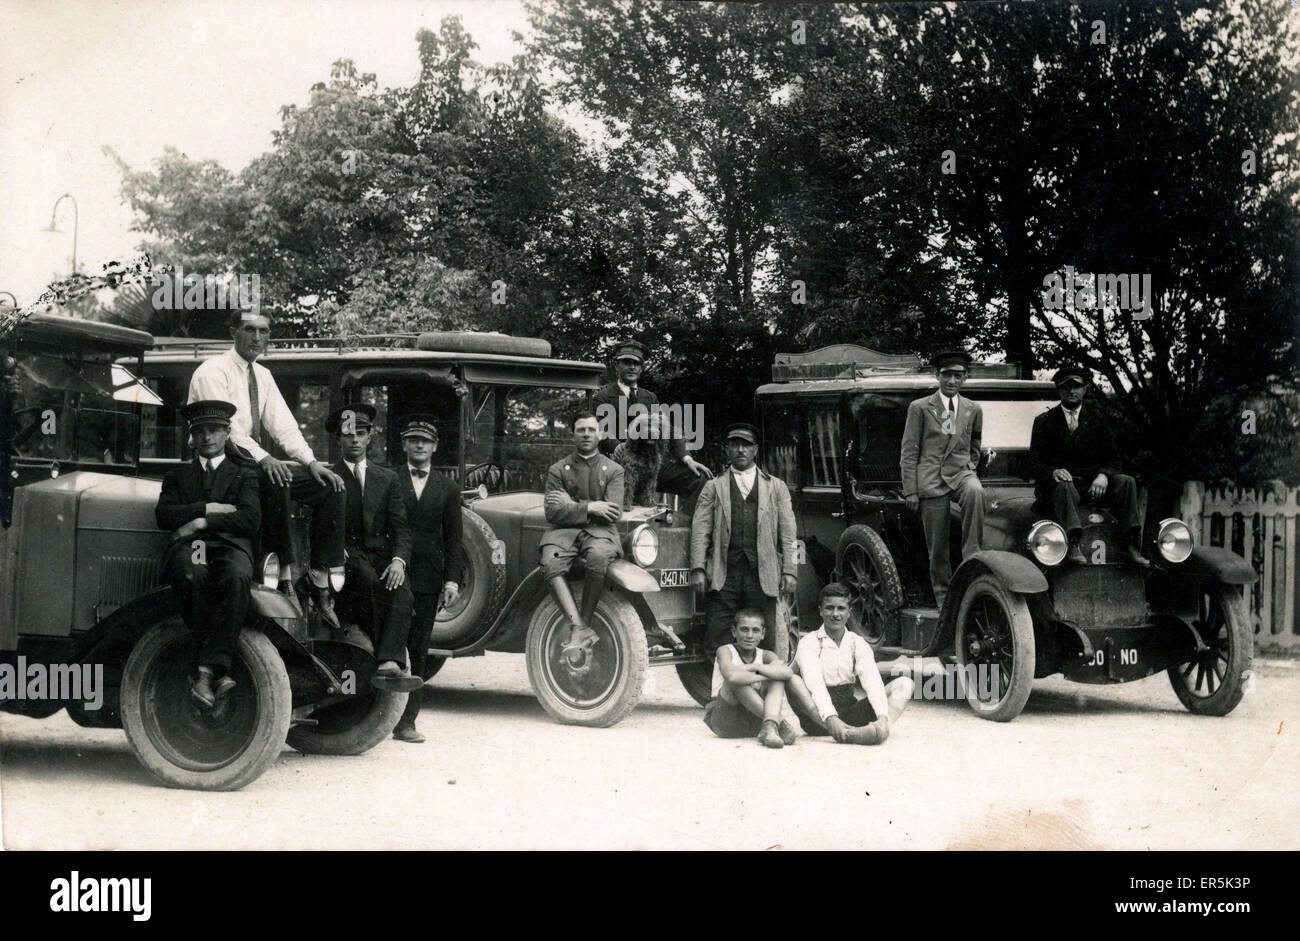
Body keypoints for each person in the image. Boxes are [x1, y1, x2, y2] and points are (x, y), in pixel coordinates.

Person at [187, 310, 347, 625]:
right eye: (250, 330)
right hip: (221, 461)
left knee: (331, 485)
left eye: (264, 331)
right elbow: (227, 430)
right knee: (277, 479)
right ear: (233, 331)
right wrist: (265, 458)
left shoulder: (263, 375)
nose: (258, 338)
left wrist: (311, 461)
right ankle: (283, 576)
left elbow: (284, 426)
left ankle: (318, 577)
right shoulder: (212, 372)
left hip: (253, 460)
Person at [154, 399, 260, 708]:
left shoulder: (244, 475)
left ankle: (206, 668)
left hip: (228, 546)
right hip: (195, 548)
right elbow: (163, 516)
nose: (207, 438)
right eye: (200, 432)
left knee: (237, 576)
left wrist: (199, 521)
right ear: (192, 436)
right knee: (193, 574)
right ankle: (214, 670)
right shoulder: (178, 477)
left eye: (214, 431)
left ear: (227, 433)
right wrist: (208, 507)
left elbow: (251, 519)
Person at [689, 422, 798, 659]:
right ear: (727, 450)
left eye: (746, 445)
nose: (740, 450)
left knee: (764, 638)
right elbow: (700, 530)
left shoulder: (776, 487)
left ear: (755, 450)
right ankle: (721, 693)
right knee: (717, 636)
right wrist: (698, 568)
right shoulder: (713, 487)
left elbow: (789, 533)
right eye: (735, 445)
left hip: (763, 573)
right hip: (723, 573)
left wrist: (790, 570)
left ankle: (762, 692)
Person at [326, 403, 416, 685]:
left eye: (360, 433)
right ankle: (384, 658)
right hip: (345, 556)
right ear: (339, 438)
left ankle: (390, 661)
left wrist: (399, 561)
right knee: (367, 580)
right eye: (348, 433)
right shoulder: (328, 477)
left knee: (403, 594)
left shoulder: (387, 479)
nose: (354, 439)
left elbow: (401, 529)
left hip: (381, 556)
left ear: (369, 437)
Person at [1029, 365, 1149, 566]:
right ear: (1058, 390)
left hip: (1092, 487)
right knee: (1064, 485)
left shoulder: (1098, 420)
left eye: (1077, 386)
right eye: (1066, 387)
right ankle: (1073, 543)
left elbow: (1113, 458)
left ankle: (1130, 543)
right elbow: (1033, 463)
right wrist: (1053, 471)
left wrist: (1103, 475)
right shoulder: (1044, 422)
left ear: (1085, 389)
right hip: (1058, 491)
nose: (1072, 391)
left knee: (1126, 482)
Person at [392, 414, 465, 743]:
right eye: (413, 440)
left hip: (427, 578)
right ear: (404, 444)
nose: (419, 445)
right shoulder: (389, 479)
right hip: (392, 575)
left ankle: (407, 722)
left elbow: (454, 538)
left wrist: (451, 580)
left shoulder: (447, 488)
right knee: (387, 645)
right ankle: (373, 715)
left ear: (434, 447)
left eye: (425, 441)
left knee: (418, 649)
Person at [900, 349, 985, 609]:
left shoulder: (973, 408)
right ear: (937, 376)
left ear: (965, 378)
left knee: (976, 491)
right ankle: (945, 599)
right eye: (947, 375)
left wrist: (970, 465)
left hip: (960, 473)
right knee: (937, 547)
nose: (952, 381)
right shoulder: (920, 407)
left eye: (958, 376)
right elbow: (909, 450)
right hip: (931, 480)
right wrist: (911, 490)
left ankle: (974, 558)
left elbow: (975, 443)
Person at [540, 410, 625, 662]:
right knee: (550, 560)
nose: (586, 434)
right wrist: (590, 507)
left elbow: (612, 512)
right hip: (564, 534)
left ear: (600, 434)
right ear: (573, 435)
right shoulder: (558, 469)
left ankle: (583, 623)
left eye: (591, 429)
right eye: (581, 430)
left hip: (600, 533)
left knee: (599, 556)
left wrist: (572, 504)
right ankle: (578, 626)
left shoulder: (614, 470)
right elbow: (552, 511)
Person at [786, 583, 914, 745]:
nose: (835, 614)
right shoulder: (809, 642)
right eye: (829, 608)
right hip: (817, 718)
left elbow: (872, 681)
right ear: (820, 611)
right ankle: (842, 733)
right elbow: (815, 685)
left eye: (841, 609)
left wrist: (882, 716)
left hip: (849, 711)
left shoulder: (857, 642)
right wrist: (831, 719)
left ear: (849, 613)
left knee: (905, 683)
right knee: (792, 679)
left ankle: (880, 729)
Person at [592, 339, 711, 505]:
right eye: (626, 362)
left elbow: (667, 430)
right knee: (624, 481)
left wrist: (686, 459)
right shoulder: (603, 396)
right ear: (616, 366)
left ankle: (684, 527)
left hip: (649, 464)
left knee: (698, 477)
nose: (632, 367)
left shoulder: (650, 397)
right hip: (618, 462)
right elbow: (600, 431)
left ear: (641, 368)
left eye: (636, 363)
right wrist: (617, 446)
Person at [702, 608, 800, 748]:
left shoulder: (766, 655)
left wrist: (755, 668)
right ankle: (779, 722)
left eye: (755, 630)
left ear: (763, 634)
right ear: (734, 631)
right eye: (744, 629)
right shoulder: (725, 650)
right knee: (736, 681)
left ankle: (770, 726)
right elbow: (732, 676)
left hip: (756, 720)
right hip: (726, 720)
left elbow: (787, 673)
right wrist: (765, 675)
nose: (749, 635)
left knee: (776, 678)